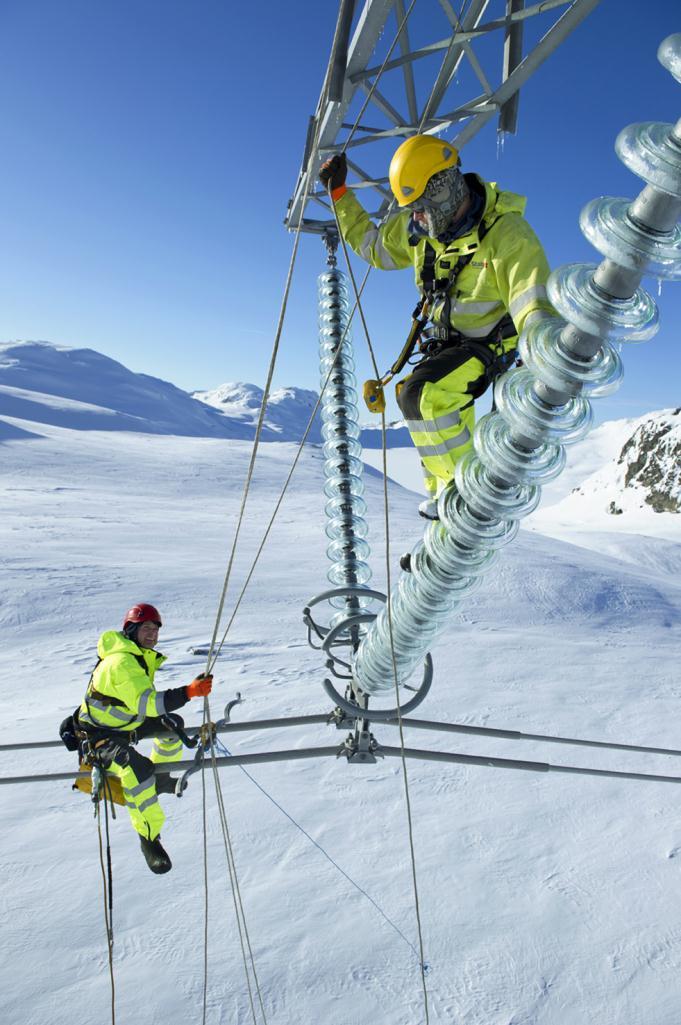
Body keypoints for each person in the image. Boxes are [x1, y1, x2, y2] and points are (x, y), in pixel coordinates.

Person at [320, 134, 554, 520]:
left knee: (421, 393)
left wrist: (539, 366)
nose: (415, 218)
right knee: (426, 406)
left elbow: (535, 304)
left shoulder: (506, 235)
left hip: (491, 345)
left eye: (421, 207)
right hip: (448, 347)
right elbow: (373, 246)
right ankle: (445, 501)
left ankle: (467, 492)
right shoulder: (422, 234)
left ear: (443, 190)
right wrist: (341, 194)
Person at [78, 603, 212, 874]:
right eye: (146, 628)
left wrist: (186, 694)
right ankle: (148, 836)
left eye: (155, 629)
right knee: (137, 769)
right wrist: (188, 692)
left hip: (125, 724)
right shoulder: (121, 662)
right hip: (101, 736)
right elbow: (148, 703)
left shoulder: (137, 656)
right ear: (131, 630)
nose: (152, 634)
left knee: (172, 726)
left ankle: (160, 779)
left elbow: (142, 705)